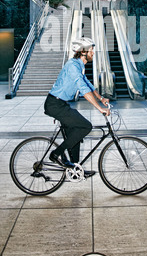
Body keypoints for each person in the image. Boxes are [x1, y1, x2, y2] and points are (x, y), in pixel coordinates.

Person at [44, 37, 110, 178]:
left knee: (75, 133)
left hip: (61, 104)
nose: (93, 52)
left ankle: (75, 169)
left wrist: (101, 98)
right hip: (55, 104)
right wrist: (100, 108)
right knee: (85, 126)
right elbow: (83, 88)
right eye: (91, 49)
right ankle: (56, 154)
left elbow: (88, 85)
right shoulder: (72, 65)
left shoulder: (79, 65)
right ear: (83, 52)